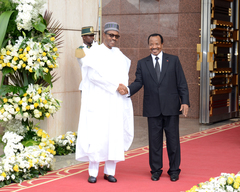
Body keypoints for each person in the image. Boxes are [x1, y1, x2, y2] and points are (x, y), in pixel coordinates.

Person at [119, 33, 189, 182]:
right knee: (154, 142)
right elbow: (138, 82)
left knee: (173, 141)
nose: (154, 47)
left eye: (157, 44)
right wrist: (128, 90)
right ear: (148, 45)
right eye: (151, 44)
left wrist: (185, 102)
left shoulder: (174, 60)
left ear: (162, 45)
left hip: (171, 107)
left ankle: (174, 170)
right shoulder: (142, 63)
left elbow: (181, 83)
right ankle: (156, 170)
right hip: (152, 108)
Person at [75, 22, 134, 184]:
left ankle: (110, 172)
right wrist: (115, 86)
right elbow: (93, 76)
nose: (113, 38)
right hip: (98, 101)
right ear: (104, 36)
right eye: (111, 35)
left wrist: (123, 89)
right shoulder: (93, 52)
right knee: (97, 135)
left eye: (116, 36)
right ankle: (93, 172)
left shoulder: (119, 55)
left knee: (113, 135)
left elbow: (124, 76)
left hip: (115, 102)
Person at [75, 26, 98, 90]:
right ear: (84, 37)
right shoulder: (80, 50)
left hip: (98, 87)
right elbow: (88, 64)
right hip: (87, 86)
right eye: (90, 36)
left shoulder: (97, 48)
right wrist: (95, 49)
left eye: (93, 35)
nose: (92, 37)